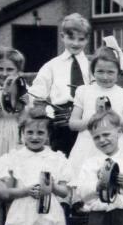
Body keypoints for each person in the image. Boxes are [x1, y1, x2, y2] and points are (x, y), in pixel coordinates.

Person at [67, 44, 123, 179]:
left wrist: (117, 119)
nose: (105, 77)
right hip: (87, 145)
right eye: (100, 71)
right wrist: (93, 119)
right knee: (86, 184)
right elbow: (73, 124)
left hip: (116, 146)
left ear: (118, 72)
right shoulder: (84, 91)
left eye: (110, 72)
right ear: (93, 71)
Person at [30, 12, 92, 154]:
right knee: (62, 160)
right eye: (71, 38)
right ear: (62, 36)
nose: (75, 43)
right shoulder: (51, 66)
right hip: (60, 123)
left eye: (81, 39)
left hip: (85, 120)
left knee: (85, 159)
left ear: (87, 39)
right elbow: (36, 93)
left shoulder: (92, 66)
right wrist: (47, 112)